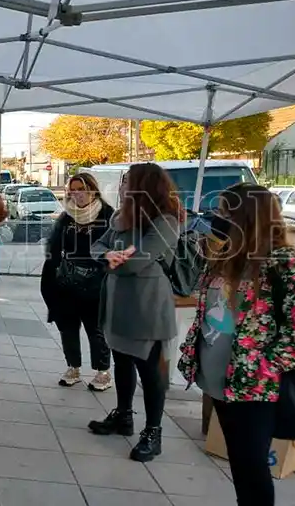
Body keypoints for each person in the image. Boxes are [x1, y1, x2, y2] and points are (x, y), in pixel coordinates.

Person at [178, 184, 295, 506]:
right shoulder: (226, 255)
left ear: (246, 217)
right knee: (240, 460)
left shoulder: (284, 261)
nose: (216, 218)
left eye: (223, 212)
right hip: (217, 379)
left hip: (254, 387)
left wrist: (266, 364)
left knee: (251, 466)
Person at [88, 163, 182, 463]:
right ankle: (123, 416)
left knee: (151, 371)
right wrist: (109, 254)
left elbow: (136, 262)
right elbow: (97, 246)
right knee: (122, 361)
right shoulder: (120, 215)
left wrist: (119, 257)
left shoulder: (165, 221)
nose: (123, 185)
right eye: (123, 180)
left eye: (129, 181)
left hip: (147, 304)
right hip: (118, 299)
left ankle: (153, 432)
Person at [41, 173, 115, 391]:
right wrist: (51, 276)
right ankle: (73, 367)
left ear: (92, 189)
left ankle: (103, 372)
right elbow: (54, 247)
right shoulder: (66, 217)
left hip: (96, 282)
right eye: (72, 190)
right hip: (68, 281)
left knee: (96, 329)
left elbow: (113, 247)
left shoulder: (108, 215)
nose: (76, 194)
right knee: (68, 327)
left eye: (80, 189)